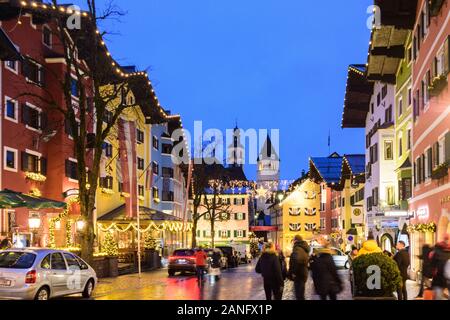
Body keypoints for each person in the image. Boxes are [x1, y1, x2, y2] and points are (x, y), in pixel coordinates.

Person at [287, 235, 310, 300]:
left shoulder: (297, 248)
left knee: (299, 295)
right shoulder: (302, 248)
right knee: (300, 294)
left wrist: (293, 272)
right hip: (303, 273)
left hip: (299, 274)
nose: (293, 242)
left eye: (293, 240)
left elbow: (296, 260)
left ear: (296, 240)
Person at [430, 235, 450, 300]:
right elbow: (433, 265)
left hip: (442, 279)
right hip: (441, 279)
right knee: (438, 296)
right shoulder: (437, 250)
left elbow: (432, 265)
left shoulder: (436, 251)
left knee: (438, 296)